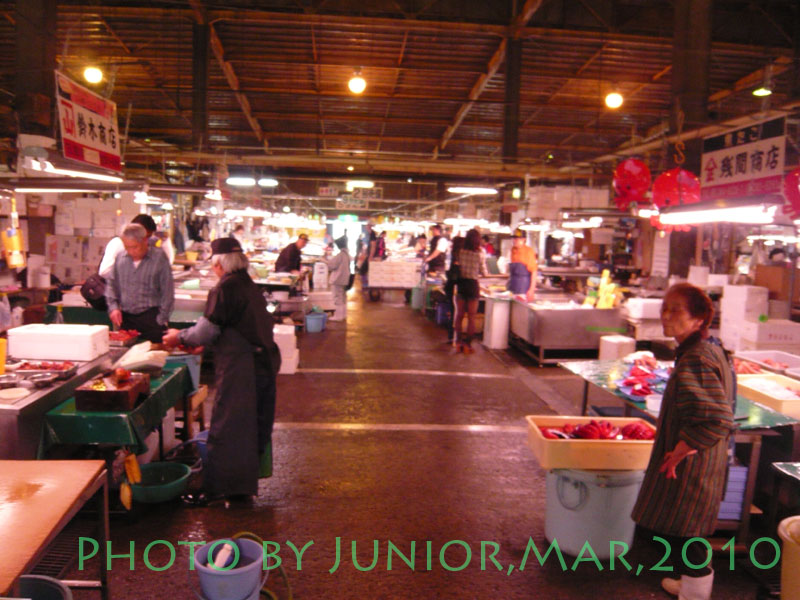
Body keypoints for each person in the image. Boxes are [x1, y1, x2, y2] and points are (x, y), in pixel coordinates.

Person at [631, 283, 735, 600]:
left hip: (693, 465)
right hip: (702, 461)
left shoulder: (696, 359)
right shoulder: (705, 349)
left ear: (698, 319)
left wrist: (681, 448)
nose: (666, 315)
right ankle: (690, 586)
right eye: (664, 308)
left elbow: (716, 417)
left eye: (676, 310)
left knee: (687, 534)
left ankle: (695, 593)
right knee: (688, 530)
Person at [162, 237, 281, 505]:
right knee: (250, 427)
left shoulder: (225, 288)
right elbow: (231, 326)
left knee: (228, 427)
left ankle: (219, 490)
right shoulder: (248, 285)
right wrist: (206, 344)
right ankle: (240, 489)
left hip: (242, 369)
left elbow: (206, 330)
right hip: (261, 364)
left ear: (219, 264)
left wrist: (179, 336)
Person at [105, 223, 174, 343]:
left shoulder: (159, 258)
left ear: (145, 240)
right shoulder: (120, 258)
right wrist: (114, 308)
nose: (131, 251)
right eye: (127, 247)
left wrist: (161, 319)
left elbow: (167, 291)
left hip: (152, 318)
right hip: (126, 319)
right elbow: (111, 285)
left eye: (135, 247)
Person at [99, 214, 174, 277]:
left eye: (148, 237)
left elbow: (167, 264)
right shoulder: (118, 243)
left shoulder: (145, 246)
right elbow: (104, 271)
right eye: (143, 236)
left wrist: (166, 242)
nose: (145, 240)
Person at [453, 229, 488, 354]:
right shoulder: (480, 253)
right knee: (472, 317)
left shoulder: (460, 251)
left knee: (459, 315)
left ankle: (458, 342)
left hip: (461, 284)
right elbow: (484, 272)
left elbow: (457, 266)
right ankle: (468, 344)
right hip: (473, 286)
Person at [323, 236, 351, 321]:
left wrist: (324, 260)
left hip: (337, 279)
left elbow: (331, 265)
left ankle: (338, 316)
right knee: (342, 298)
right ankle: (343, 315)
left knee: (337, 298)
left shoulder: (340, 255)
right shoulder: (347, 254)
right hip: (344, 279)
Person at [444, 236, 465, 344]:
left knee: (453, 310)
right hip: (456, 287)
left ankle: (451, 335)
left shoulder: (453, 254)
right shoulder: (459, 255)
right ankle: (454, 336)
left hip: (450, 286)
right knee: (456, 312)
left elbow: (448, 271)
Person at [507, 228, 537, 302]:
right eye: (514, 238)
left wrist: (531, 290)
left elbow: (534, 272)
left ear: (524, 239)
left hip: (523, 288)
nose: (514, 241)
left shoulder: (529, 251)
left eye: (517, 239)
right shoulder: (513, 250)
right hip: (512, 287)